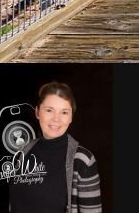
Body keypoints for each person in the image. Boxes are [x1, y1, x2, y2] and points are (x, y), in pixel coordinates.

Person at [10, 82, 102, 213]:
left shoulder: (83, 160)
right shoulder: (23, 152)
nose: (56, 119)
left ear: (71, 117)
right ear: (37, 112)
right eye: (49, 110)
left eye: (64, 112)